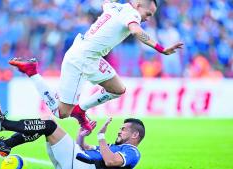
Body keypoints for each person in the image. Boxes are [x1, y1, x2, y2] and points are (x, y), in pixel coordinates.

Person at [9, 0, 183, 131]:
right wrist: (161, 49)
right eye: (148, 14)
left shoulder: (115, 7)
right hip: (82, 60)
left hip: (90, 55)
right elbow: (136, 30)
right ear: (138, 5)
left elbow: (105, 3)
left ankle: (80, 109)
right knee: (61, 113)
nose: (146, 18)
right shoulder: (133, 14)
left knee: (118, 89)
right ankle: (32, 72)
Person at [0, 98, 145, 169]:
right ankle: (6, 144)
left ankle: (4, 124)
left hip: (81, 165)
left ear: (135, 135)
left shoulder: (132, 152)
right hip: (77, 161)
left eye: (123, 129)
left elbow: (110, 162)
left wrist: (101, 136)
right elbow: (86, 147)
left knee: (49, 125)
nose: (119, 130)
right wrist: (82, 136)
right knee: (46, 121)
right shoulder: (112, 147)